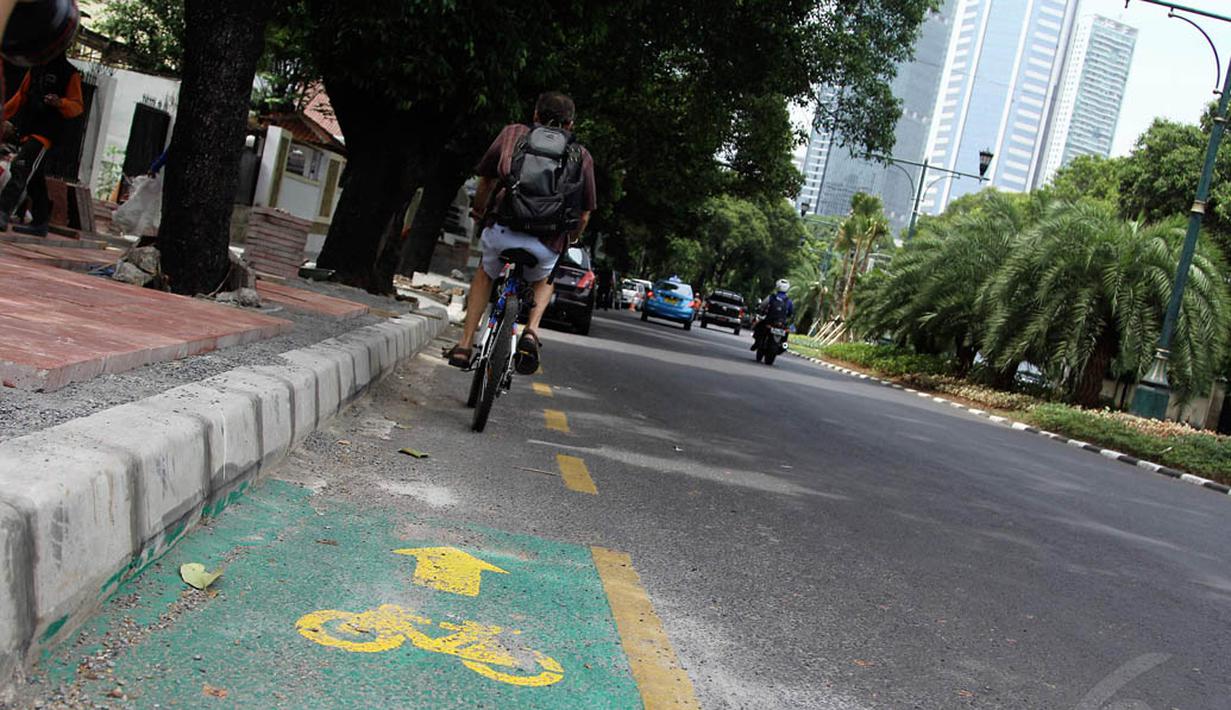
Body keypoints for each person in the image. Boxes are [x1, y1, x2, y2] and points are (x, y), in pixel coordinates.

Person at [446, 92, 597, 373]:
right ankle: (530, 331)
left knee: (485, 273)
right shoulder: (581, 155)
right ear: (571, 125)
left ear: (536, 115)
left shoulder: (513, 133)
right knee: (545, 278)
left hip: (502, 230)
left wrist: (480, 213)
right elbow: (585, 213)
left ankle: (465, 345)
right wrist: (571, 238)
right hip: (546, 243)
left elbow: (486, 181)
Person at [0, 49, 81, 235]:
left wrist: (60, 103)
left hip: (46, 134)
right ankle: (40, 222)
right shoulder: (35, 68)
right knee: (34, 179)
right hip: (29, 130)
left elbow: (77, 106)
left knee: (21, 168)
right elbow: (21, 96)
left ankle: (3, 211)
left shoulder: (70, 73)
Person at [751, 279, 795, 351]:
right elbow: (791, 312)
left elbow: (762, 306)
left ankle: (756, 343)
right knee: (786, 333)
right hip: (782, 323)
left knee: (759, 326)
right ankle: (783, 346)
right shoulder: (789, 301)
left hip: (769, 320)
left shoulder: (771, 297)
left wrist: (760, 309)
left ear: (777, 286)